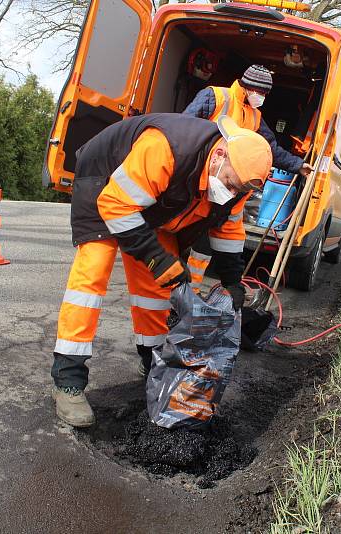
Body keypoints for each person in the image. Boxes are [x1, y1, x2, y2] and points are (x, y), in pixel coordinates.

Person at [51, 113, 273, 427]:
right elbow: (116, 205)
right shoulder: (166, 148)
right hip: (104, 183)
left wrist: (232, 281)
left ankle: (152, 358)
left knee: (154, 290)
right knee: (91, 277)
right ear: (219, 156)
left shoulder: (238, 181)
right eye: (229, 184)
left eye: (238, 190)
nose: (231, 192)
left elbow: (228, 232)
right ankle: (68, 379)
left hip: (150, 199)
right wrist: (158, 260)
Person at [182, 64, 313, 179]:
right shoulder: (215, 96)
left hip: (229, 179)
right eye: (261, 92)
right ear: (247, 86)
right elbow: (183, 129)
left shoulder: (256, 115)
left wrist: (298, 165)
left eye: (265, 93)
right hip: (199, 171)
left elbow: (269, 148)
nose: (262, 97)